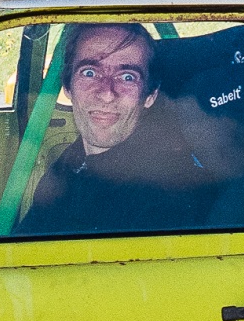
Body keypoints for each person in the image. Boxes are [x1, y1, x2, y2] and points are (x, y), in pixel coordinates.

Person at [16, 23, 217, 236]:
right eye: (90, 72)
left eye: (127, 77)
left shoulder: (167, 195)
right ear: (68, 87)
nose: (107, 94)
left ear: (150, 96)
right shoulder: (73, 160)